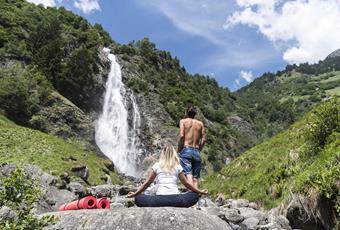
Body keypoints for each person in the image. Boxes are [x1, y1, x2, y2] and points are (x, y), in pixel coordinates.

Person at [127, 144, 207, 207]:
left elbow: (147, 183)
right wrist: (199, 191)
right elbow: (186, 184)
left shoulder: (157, 165)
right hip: (176, 199)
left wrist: (135, 194)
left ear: (162, 154)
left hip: (159, 200)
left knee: (138, 198)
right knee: (194, 195)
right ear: (173, 154)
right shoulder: (177, 166)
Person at [177, 105, 206, 190]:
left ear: (186, 112)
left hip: (186, 149)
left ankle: (190, 196)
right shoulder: (200, 124)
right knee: (195, 177)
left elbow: (182, 135)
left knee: (188, 174)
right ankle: (195, 198)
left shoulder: (183, 121)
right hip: (196, 151)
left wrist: (179, 149)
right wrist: (199, 150)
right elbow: (204, 140)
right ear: (195, 114)